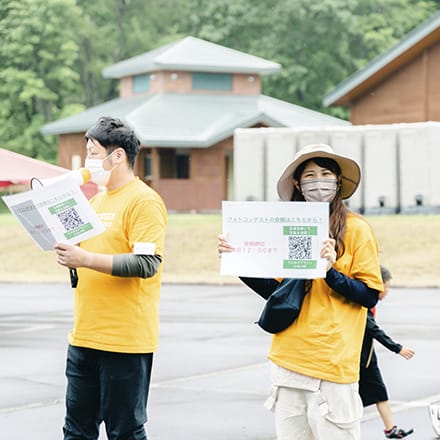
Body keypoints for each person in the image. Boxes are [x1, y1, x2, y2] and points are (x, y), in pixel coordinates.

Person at [218, 143, 383, 440]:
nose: (318, 181)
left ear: (337, 181)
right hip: (288, 362)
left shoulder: (356, 229)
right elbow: (277, 292)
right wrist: (237, 260)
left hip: (333, 365)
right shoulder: (290, 225)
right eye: (309, 175)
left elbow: (369, 295)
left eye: (325, 174)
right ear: (298, 183)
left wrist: (330, 273)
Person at [54, 116, 167, 440]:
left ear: (117, 156)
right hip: (84, 337)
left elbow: (147, 262)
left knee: (125, 432)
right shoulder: (95, 201)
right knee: (76, 431)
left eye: (93, 152)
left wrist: (86, 258)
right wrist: (70, 255)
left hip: (124, 342)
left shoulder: (143, 200)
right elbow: (88, 257)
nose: (88, 161)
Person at [359, 265, 415, 439]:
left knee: (379, 390)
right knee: (351, 397)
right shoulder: (362, 302)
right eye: (387, 286)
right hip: (356, 357)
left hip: (368, 356)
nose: (388, 290)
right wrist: (398, 348)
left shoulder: (370, 302)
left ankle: (390, 429)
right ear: (377, 284)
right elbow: (373, 329)